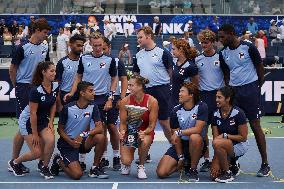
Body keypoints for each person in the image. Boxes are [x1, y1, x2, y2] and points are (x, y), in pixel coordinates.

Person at [218, 24, 270, 177]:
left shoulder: (248, 47)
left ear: (231, 34)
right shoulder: (223, 53)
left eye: (222, 36)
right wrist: (230, 90)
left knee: (255, 126)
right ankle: (234, 163)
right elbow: (226, 74)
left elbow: (260, 68)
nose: (220, 40)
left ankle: (265, 164)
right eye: (219, 37)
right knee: (231, 128)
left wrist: (256, 87)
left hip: (250, 90)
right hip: (234, 93)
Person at [64, 31, 118, 170]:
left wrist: (111, 98)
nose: (98, 48)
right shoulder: (84, 58)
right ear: (90, 45)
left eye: (100, 45)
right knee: (83, 127)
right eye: (95, 45)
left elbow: (114, 79)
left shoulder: (109, 60)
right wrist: (72, 92)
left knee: (101, 130)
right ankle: (81, 159)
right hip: (86, 98)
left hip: (102, 98)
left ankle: (100, 160)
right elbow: (78, 76)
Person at [8, 18, 51, 175]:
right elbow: (12, 69)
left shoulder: (45, 46)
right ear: (37, 31)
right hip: (23, 87)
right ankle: (14, 161)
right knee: (23, 124)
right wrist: (17, 86)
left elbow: (45, 67)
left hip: (37, 87)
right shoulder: (22, 47)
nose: (46, 36)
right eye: (45, 33)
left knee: (23, 126)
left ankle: (13, 161)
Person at [9, 61, 58, 179]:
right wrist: (35, 134)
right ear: (43, 72)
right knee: (37, 153)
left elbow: (53, 104)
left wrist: (51, 121)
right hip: (27, 121)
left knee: (51, 140)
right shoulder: (36, 90)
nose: (54, 73)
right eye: (52, 71)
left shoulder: (55, 86)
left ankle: (44, 167)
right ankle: (14, 163)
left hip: (42, 120)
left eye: (54, 70)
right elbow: (33, 113)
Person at [50, 81, 108, 179]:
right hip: (67, 143)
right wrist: (70, 141)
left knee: (101, 137)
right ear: (82, 93)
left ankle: (94, 168)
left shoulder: (93, 107)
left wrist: (83, 135)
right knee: (77, 175)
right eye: (91, 91)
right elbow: (60, 129)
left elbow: (99, 127)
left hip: (82, 141)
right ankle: (59, 161)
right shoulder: (68, 108)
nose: (94, 93)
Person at [156, 82, 208, 182]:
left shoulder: (201, 107)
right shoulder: (175, 111)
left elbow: (198, 129)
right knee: (161, 173)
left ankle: (193, 169)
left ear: (191, 95)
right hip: (181, 145)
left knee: (195, 137)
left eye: (182, 91)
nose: (179, 93)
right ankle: (184, 164)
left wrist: (179, 132)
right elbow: (176, 138)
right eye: (179, 91)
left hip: (197, 144)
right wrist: (180, 157)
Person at [133, 26, 173, 142]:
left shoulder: (163, 53)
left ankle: (176, 149)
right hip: (145, 92)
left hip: (162, 91)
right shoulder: (138, 55)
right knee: (143, 122)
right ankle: (145, 151)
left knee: (164, 122)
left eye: (140, 37)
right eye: (137, 38)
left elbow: (171, 73)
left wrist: (170, 89)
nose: (138, 40)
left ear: (149, 36)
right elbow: (136, 74)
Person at [195, 29, 225, 172]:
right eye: (201, 42)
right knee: (203, 132)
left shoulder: (221, 57)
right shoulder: (197, 59)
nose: (203, 45)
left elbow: (227, 78)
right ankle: (206, 159)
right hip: (203, 98)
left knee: (217, 131)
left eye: (206, 42)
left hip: (218, 98)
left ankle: (218, 158)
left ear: (212, 42)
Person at [119, 75, 158, 179]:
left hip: (145, 131)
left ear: (140, 86)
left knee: (144, 141)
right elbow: (122, 123)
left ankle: (141, 166)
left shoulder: (152, 101)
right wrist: (122, 132)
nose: (128, 88)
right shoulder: (124, 101)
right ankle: (125, 164)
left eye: (131, 85)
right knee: (126, 161)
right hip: (129, 132)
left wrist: (144, 132)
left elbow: (152, 125)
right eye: (128, 85)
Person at [100, 36, 128, 171]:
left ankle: (116, 156)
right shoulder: (95, 60)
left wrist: (122, 97)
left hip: (114, 97)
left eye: (104, 48)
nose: (102, 50)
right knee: (102, 128)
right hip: (99, 97)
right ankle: (103, 157)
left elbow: (124, 79)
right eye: (100, 48)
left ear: (109, 48)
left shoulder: (117, 61)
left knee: (112, 126)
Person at [211, 86, 248, 183]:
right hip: (222, 145)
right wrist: (215, 160)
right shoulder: (215, 114)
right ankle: (232, 164)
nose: (216, 100)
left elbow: (243, 138)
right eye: (216, 97)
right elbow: (215, 140)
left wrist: (225, 135)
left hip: (239, 145)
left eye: (219, 97)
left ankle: (227, 173)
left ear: (228, 99)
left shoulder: (239, 113)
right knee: (213, 175)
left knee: (219, 143)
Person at [56, 34, 86, 110]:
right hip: (66, 97)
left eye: (82, 46)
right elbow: (56, 85)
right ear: (70, 44)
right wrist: (59, 104)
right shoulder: (62, 62)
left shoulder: (85, 62)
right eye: (78, 45)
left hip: (81, 96)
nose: (80, 48)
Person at [170, 38, 198, 110]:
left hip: (185, 101)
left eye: (173, 49)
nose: (171, 51)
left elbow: (195, 86)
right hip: (173, 99)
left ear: (181, 49)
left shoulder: (190, 66)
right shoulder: (174, 62)